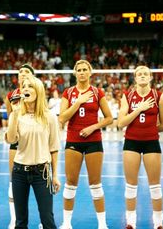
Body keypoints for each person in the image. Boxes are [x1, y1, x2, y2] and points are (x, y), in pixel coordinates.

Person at [58, 60, 113, 229]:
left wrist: (93, 127)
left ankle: (102, 225)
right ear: (75, 73)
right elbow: (62, 118)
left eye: (84, 69)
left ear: (90, 72)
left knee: (95, 183)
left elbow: (109, 118)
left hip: (93, 141)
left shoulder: (97, 92)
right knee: (70, 182)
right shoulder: (68, 93)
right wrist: (78, 102)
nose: (82, 72)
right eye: (79, 70)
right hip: (73, 140)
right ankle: (66, 224)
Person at [5, 75, 61, 229]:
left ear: (39, 91)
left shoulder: (49, 117)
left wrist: (55, 175)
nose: (26, 89)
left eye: (30, 86)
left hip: (42, 172)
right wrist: (15, 114)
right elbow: (10, 139)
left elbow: (54, 148)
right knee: (20, 221)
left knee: (47, 219)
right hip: (19, 172)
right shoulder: (16, 115)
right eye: (24, 87)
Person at [117, 65, 163, 229]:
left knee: (155, 185)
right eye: (140, 74)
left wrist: (149, 130)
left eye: (146, 74)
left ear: (151, 77)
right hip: (131, 142)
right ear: (135, 77)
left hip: (151, 142)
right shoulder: (127, 96)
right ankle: (131, 222)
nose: (143, 76)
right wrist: (139, 109)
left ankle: (158, 223)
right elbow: (120, 123)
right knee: (131, 185)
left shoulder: (159, 96)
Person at [4, 64, 34, 229]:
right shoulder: (11, 95)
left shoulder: (38, 91)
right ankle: (14, 219)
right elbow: (10, 117)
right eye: (20, 72)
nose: (23, 74)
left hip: (33, 140)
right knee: (13, 181)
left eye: (26, 72)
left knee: (39, 181)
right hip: (17, 141)